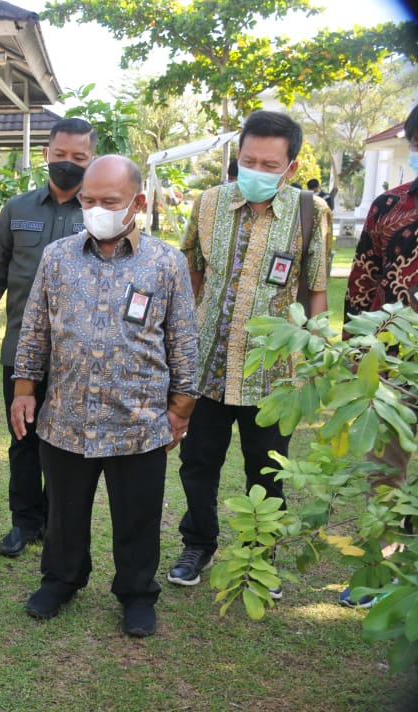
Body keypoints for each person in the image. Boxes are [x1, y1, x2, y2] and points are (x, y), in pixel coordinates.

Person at [10, 155, 199, 637]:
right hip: (66, 416)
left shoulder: (167, 262)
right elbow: (34, 331)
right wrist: (25, 389)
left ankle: (137, 593)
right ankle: (61, 580)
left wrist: (180, 408)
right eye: (88, 200)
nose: (96, 209)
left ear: (137, 203)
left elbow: (183, 340)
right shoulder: (58, 257)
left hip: (138, 420)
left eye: (109, 201)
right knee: (64, 512)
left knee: (138, 514)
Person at [168, 110, 331, 591]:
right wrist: (176, 340)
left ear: (291, 167)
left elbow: (315, 290)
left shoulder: (310, 212)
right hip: (207, 367)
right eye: (247, 160)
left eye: (269, 163)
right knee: (198, 464)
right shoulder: (209, 203)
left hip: (272, 376)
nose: (255, 171)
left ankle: (260, 557)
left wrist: (317, 357)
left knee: (267, 472)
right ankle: (198, 544)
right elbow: (191, 273)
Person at [0, 118, 96, 558]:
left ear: (91, 159)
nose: (68, 164)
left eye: (79, 158)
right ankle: (25, 523)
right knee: (23, 439)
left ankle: (58, 524)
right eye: (60, 155)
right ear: (46, 154)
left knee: (66, 445)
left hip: (77, 355)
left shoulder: (99, 214)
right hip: (21, 350)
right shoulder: (18, 210)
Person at [339, 102, 418, 608]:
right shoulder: (389, 206)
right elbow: (364, 277)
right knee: (383, 471)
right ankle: (377, 567)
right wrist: (355, 349)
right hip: (393, 365)